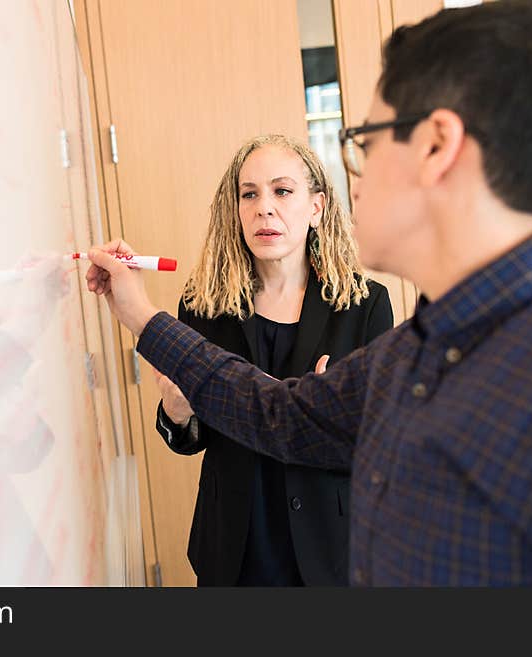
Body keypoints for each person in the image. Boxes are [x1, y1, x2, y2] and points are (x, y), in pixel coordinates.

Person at [86, 0, 532, 585]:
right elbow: (281, 416)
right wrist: (141, 315)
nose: (356, 183)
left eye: (365, 144)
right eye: (249, 194)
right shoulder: (417, 348)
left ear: (437, 147)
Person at [154, 135, 392, 586]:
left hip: (332, 549)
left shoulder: (365, 305)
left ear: (317, 207)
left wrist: (329, 415)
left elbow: (379, 442)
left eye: (282, 191)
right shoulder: (203, 306)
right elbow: (187, 440)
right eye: (250, 194)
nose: (264, 208)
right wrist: (177, 413)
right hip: (233, 547)